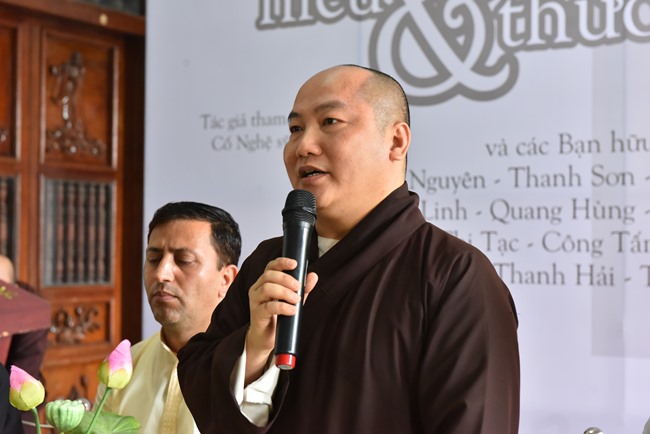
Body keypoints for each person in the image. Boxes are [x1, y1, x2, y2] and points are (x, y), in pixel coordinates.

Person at [177, 64, 520, 433]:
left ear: (396, 141)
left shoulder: (453, 274)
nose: (303, 146)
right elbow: (200, 383)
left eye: (330, 122)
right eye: (295, 129)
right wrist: (254, 349)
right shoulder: (269, 262)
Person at [96, 202, 241, 434]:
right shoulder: (123, 369)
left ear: (226, 280)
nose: (161, 273)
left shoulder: (251, 370)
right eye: (154, 259)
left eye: (184, 260)